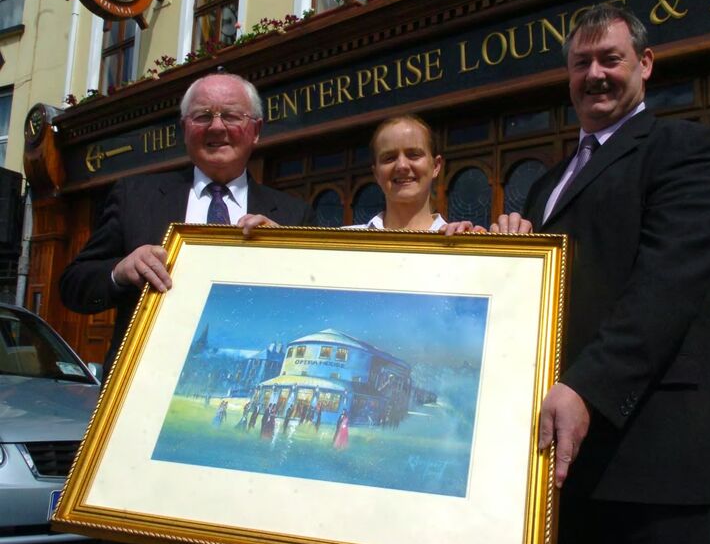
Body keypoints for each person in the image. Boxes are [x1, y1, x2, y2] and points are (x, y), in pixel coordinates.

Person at [496, 4, 710, 544]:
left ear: (645, 63)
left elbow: (666, 287)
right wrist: (504, 247)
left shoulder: (687, 150)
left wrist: (586, 386)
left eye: (611, 59)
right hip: (557, 459)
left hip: (647, 462)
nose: (595, 74)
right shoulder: (548, 183)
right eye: (581, 63)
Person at [60, 73, 315, 372]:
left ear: (255, 130)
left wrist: (289, 259)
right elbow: (72, 286)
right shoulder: (135, 196)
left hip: (237, 372)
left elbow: (313, 307)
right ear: (185, 129)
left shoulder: (292, 215)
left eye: (231, 116)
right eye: (202, 116)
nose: (216, 126)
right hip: (144, 379)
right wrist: (120, 271)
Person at [348, 114, 446, 231]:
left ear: (435, 166)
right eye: (389, 158)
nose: (402, 166)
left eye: (414, 155)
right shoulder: (343, 239)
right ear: (376, 173)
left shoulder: (458, 238)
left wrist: (462, 238)